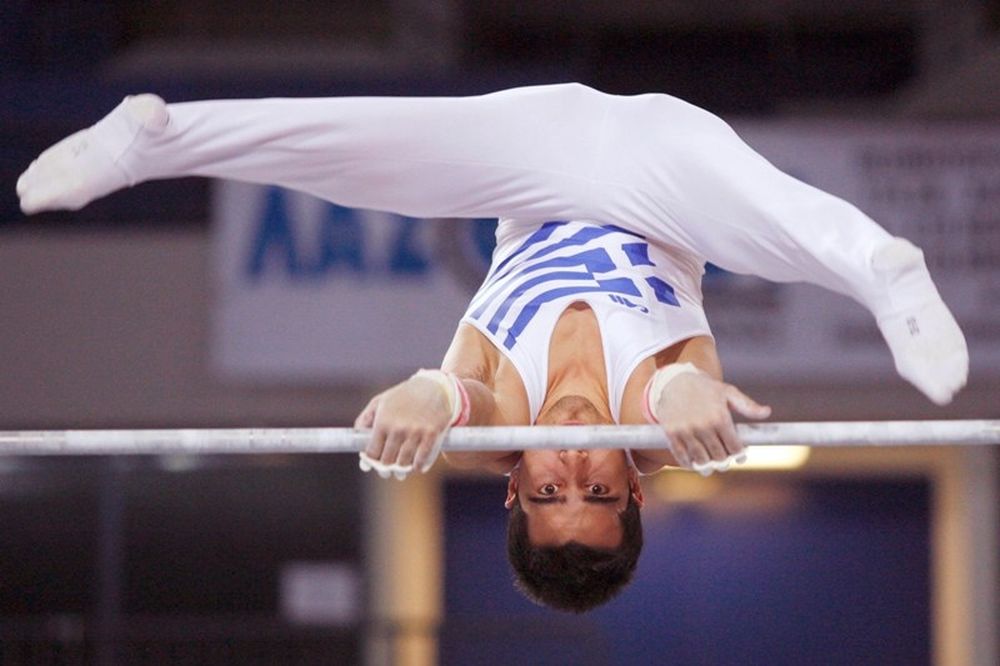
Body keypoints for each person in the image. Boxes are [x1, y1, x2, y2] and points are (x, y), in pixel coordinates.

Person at [16, 83, 968, 612]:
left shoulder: (497, 420)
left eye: (550, 491)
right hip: (663, 175)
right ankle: (878, 266)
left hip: (537, 162)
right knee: (764, 224)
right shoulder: (659, 425)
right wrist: (680, 395)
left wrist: (428, 400)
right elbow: (680, 382)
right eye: (598, 490)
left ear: (511, 484)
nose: (574, 463)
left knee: (375, 155)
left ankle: (157, 140)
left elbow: (456, 394)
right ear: (637, 486)